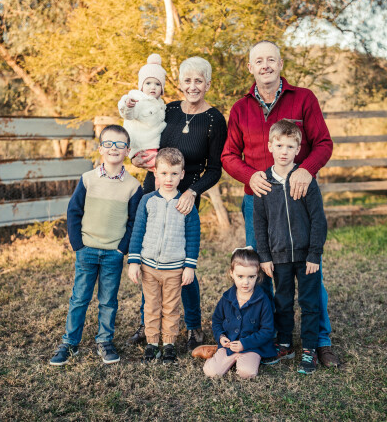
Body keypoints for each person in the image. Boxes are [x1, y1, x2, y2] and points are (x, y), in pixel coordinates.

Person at [220, 40, 339, 367]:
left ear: (281, 63)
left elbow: (324, 143)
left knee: (310, 270)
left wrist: (306, 169)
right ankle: (270, 338)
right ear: (250, 67)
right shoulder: (240, 108)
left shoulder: (304, 98)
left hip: (298, 198)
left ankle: (321, 340)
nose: (265, 65)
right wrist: (249, 176)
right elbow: (228, 155)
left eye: (271, 59)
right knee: (264, 269)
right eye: (259, 61)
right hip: (259, 202)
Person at [129, 56, 227, 352]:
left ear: (208, 84)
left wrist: (193, 192)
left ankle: (194, 326)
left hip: (185, 197)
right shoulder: (167, 109)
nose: (193, 86)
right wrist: (138, 157)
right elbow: (144, 134)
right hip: (154, 189)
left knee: (182, 262)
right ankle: (148, 324)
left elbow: (215, 169)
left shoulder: (214, 120)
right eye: (187, 80)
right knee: (150, 258)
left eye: (199, 80)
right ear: (180, 83)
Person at [49, 125, 144, 366]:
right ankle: (70, 343)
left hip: (113, 253)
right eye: (108, 143)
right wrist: (78, 244)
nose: (114, 148)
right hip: (87, 250)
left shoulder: (133, 186)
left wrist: (122, 249)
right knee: (79, 298)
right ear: (100, 148)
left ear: (128, 150)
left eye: (120, 144)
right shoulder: (88, 179)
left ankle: (105, 341)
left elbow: (134, 222)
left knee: (108, 301)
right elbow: (74, 211)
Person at [253, 120, 328, 374]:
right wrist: (264, 256)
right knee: (282, 301)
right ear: (270, 146)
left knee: (309, 303)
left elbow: (318, 220)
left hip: (307, 257)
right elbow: (259, 224)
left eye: (290, 146)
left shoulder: (306, 181)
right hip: (278, 256)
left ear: (298, 149)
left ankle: (309, 349)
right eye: (279, 145)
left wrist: (314, 254)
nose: (284, 151)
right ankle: (285, 343)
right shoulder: (263, 183)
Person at [128, 148, 201, 363]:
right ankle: (152, 343)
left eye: (174, 174)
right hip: (149, 266)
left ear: (182, 174)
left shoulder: (186, 204)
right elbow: (138, 231)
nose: (169, 179)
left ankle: (169, 344)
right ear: (155, 174)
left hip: (175, 268)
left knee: (171, 307)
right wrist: (134, 262)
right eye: (164, 173)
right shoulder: (148, 200)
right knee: (151, 306)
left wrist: (189, 266)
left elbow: (193, 236)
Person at [203, 247, 277, 379]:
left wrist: (245, 344)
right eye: (240, 276)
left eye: (251, 277)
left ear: (258, 275)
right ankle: (215, 351)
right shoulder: (226, 298)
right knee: (211, 372)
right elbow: (217, 321)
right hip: (228, 346)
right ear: (232, 273)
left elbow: (267, 330)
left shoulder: (263, 300)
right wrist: (221, 336)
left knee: (247, 373)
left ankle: (239, 358)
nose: (246, 282)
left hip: (252, 347)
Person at [117, 53, 167, 170]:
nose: (153, 87)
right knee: (164, 167)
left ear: (162, 88)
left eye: (157, 84)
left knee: (162, 169)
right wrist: (128, 105)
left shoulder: (160, 103)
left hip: (154, 147)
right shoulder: (137, 99)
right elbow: (127, 114)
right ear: (141, 86)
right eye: (148, 83)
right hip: (141, 149)